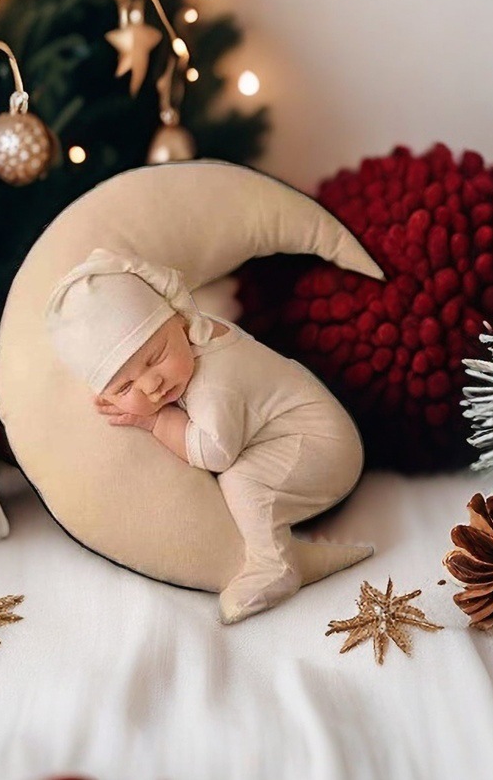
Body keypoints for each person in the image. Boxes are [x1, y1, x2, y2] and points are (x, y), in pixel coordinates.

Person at [45, 247, 371, 625]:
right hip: (291, 434)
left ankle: (275, 567)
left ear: (181, 321)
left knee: (243, 479)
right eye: (124, 386)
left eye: (155, 357)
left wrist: (155, 422)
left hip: (322, 448)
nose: (152, 384)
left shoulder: (216, 381)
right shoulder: (188, 342)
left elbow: (215, 453)